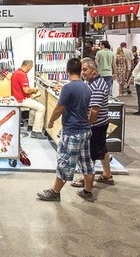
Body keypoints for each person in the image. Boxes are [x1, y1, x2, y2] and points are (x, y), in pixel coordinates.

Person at [37, 58, 93, 202]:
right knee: (86, 163)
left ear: (67, 71)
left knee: (65, 163)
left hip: (72, 132)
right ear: (80, 70)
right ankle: (88, 191)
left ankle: (55, 192)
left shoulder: (68, 88)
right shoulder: (87, 87)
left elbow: (59, 108)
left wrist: (50, 121)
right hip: (85, 130)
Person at [71, 57, 115, 190]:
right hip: (100, 124)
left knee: (89, 154)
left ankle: (86, 181)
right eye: (81, 69)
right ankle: (107, 175)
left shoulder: (97, 86)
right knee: (101, 149)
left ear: (94, 71)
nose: (82, 72)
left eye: (85, 69)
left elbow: (94, 110)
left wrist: (87, 125)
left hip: (96, 125)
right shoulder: (93, 82)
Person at [11, 60, 46, 139]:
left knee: (34, 106)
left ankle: (30, 125)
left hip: (16, 98)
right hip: (20, 100)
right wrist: (33, 90)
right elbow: (26, 90)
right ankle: (36, 131)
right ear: (28, 66)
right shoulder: (22, 74)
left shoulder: (16, 72)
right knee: (41, 108)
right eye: (31, 68)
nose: (30, 69)